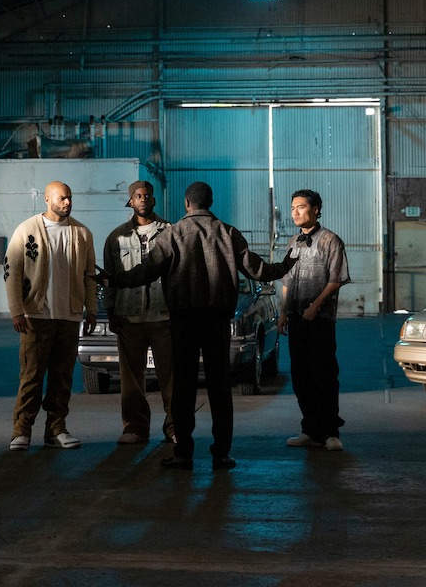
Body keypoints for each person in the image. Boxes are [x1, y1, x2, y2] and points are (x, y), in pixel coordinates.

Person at [103, 181, 296, 471]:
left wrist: (114, 279)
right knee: (219, 387)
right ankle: (221, 454)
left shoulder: (172, 234)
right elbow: (258, 270)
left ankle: (184, 453)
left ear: (186, 203)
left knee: (183, 385)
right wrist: (285, 265)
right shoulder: (228, 233)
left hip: (182, 321)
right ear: (211, 201)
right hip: (218, 320)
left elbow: (146, 272)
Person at [4, 181, 98, 451]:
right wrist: (16, 310)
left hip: (68, 317)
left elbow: (89, 275)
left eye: (70, 197)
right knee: (32, 376)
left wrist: (90, 309)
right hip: (36, 316)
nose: (67, 202)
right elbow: (12, 270)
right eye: (62, 198)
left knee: (62, 376)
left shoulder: (81, 233)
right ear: (47, 199)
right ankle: (21, 431)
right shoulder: (27, 230)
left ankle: (56, 430)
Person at [103, 180, 174, 445]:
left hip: (163, 316)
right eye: (138, 196)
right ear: (130, 202)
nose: (143, 199)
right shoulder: (116, 237)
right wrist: (110, 310)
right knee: (131, 377)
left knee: (171, 375)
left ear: (154, 200)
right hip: (129, 316)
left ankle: (174, 426)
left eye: (147, 195)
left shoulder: (171, 232)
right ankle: (134, 427)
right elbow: (109, 277)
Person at [279, 189, 350, 451]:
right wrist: (284, 313)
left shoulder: (331, 241)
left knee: (324, 375)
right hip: (297, 319)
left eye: (300, 207)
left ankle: (330, 433)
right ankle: (309, 429)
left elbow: (335, 281)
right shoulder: (292, 243)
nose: (295, 212)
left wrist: (315, 307)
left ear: (317, 209)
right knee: (301, 376)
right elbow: (287, 282)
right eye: (292, 208)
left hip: (320, 321)